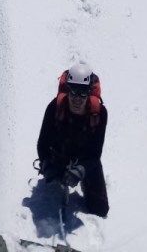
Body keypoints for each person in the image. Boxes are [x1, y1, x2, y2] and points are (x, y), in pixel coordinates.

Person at [36, 62, 109, 217]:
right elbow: (43, 143)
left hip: (85, 160)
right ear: (68, 90)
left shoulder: (99, 114)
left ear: (89, 92)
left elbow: (95, 153)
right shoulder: (54, 107)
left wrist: (81, 170)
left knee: (100, 209)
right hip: (59, 155)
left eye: (83, 93)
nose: (77, 98)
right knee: (54, 179)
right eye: (74, 91)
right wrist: (46, 163)